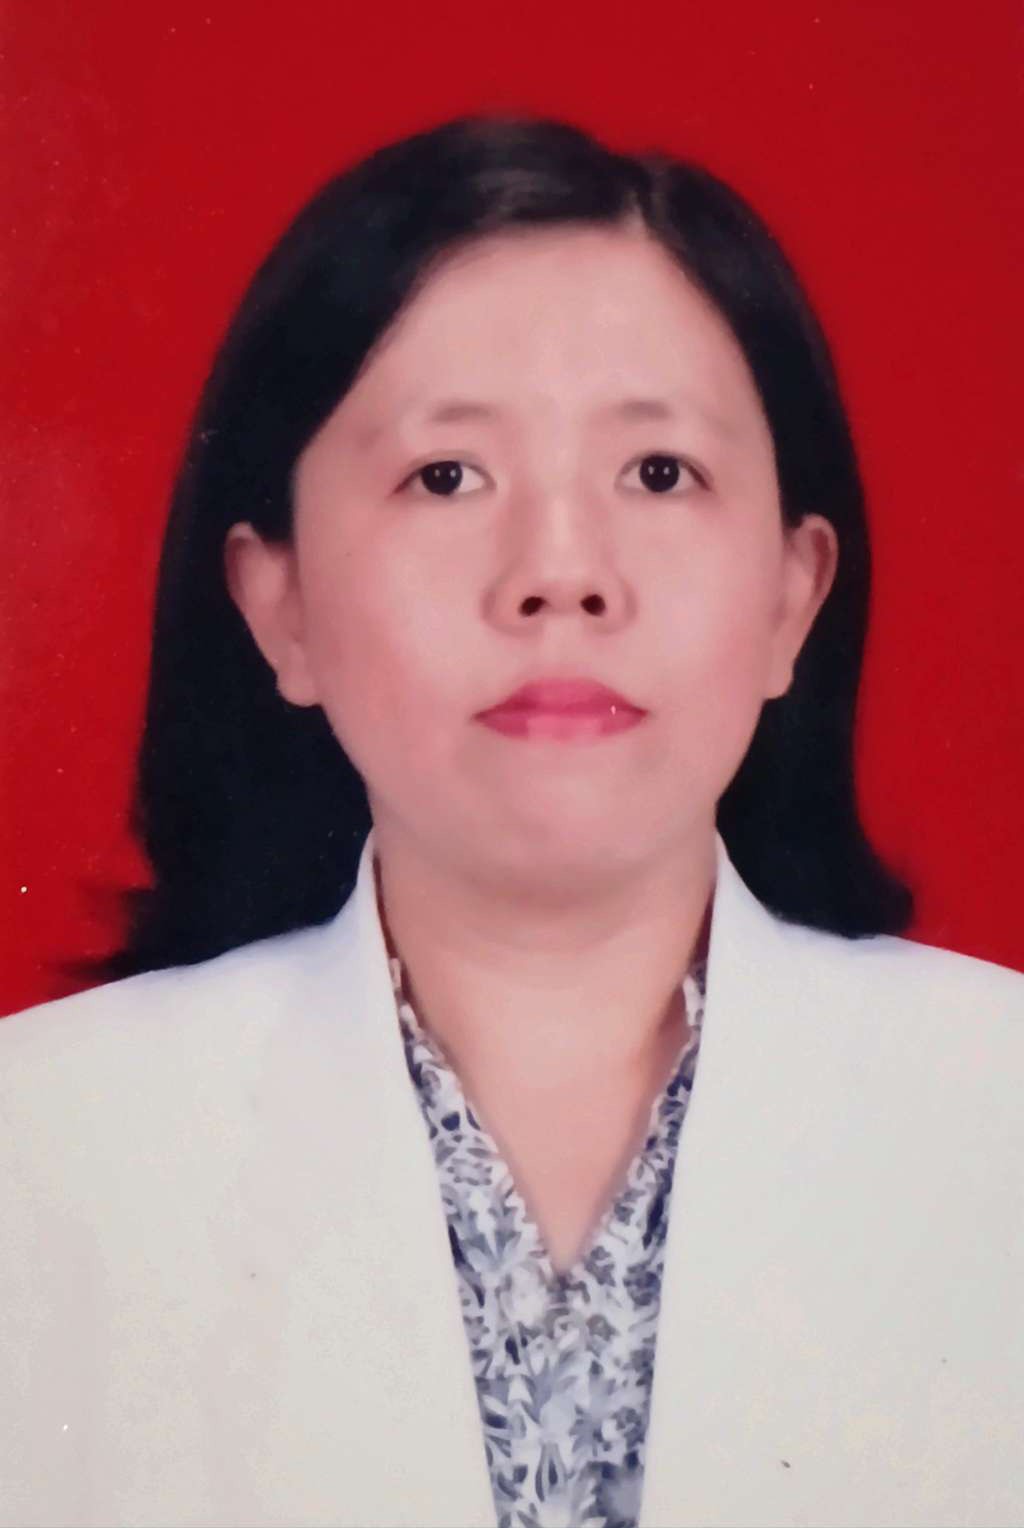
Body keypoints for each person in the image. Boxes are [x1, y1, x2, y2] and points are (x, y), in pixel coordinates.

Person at [1, 113, 1021, 1528]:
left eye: (657, 473)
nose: (561, 571)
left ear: (793, 596)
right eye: (447, 475)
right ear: (278, 604)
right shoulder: (43, 1147)